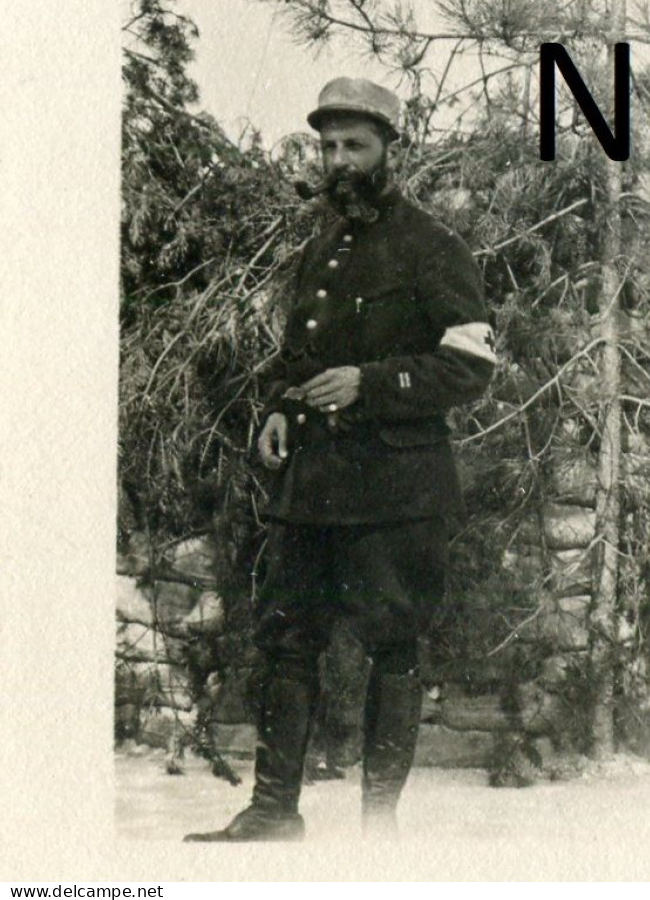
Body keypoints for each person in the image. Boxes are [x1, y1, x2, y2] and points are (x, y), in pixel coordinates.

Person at [186, 78, 497, 842]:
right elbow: (300, 357)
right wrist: (281, 409)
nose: (338, 160)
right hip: (316, 481)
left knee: (392, 645)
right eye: (328, 146)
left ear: (393, 147)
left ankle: (377, 826)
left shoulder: (432, 246)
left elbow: (470, 367)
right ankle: (272, 810)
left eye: (354, 144)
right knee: (287, 639)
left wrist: (372, 381)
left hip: (396, 485)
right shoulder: (322, 251)